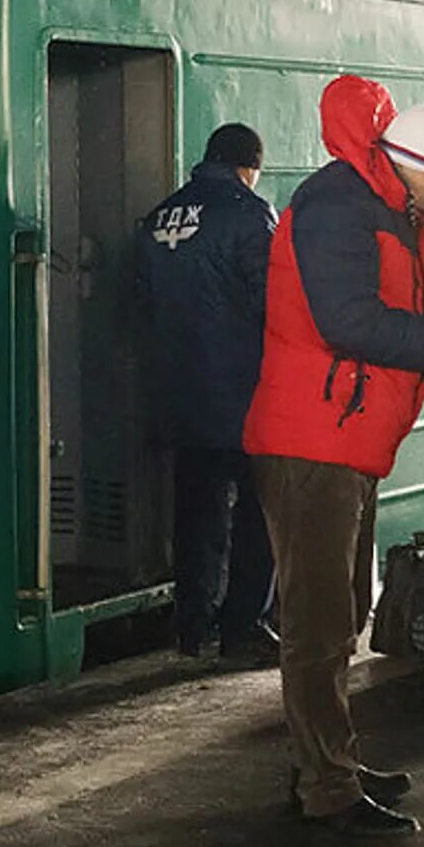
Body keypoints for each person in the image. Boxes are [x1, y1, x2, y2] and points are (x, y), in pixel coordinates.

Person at [243, 77, 424, 837]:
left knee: (343, 613)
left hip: (342, 434)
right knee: (320, 622)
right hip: (311, 439)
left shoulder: (379, 207)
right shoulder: (338, 210)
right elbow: (351, 322)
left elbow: (398, 311)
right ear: (404, 160)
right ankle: (324, 786)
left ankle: (333, 762)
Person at [134, 121, 278, 668]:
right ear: (249, 167)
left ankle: (192, 625)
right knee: (257, 513)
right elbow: (272, 303)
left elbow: (142, 306)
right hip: (243, 393)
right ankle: (243, 626)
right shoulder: (248, 213)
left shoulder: (159, 217)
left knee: (195, 512)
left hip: (179, 392)